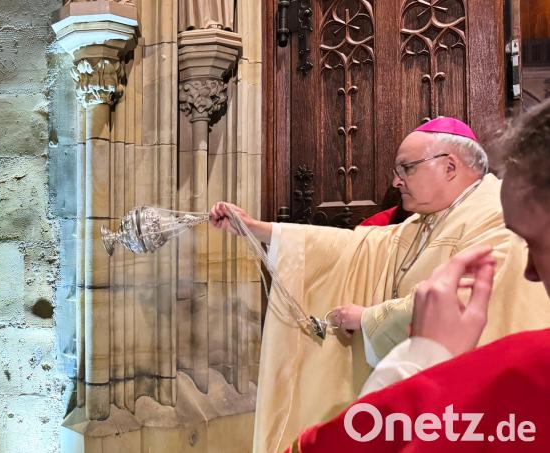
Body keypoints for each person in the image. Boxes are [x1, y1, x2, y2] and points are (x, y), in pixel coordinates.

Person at [210, 117, 550, 452]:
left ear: (449, 167)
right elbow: (358, 248)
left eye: (406, 168)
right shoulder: (428, 221)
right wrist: (258, 230)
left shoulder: (494, 213)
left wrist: (371, 319)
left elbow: (472, 296)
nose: (396, 181)